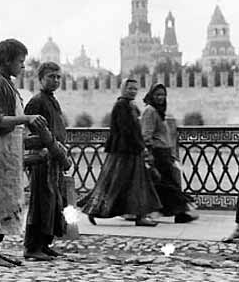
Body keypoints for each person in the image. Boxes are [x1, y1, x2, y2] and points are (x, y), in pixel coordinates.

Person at [0, 38, 48, 267]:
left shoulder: (7, 84)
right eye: (20, 61)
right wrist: (27, 119)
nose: (22, 66)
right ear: (7, 61)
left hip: (8, 150)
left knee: (5, 201)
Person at [78, 79, 161, 226]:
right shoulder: (121, 106)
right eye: (130, 88)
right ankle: (94, 210)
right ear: (123, 89)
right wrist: (141, 146)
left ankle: (139, 216)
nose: (133, 91)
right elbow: (126, 130)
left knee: (133, 184)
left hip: (131, 151)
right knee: (117, 183)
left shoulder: (130, 106)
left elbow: (134, 130)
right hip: (124, 153)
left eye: (135, 89)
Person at [23, 62, 68, 261]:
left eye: (58, 77)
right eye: (51, 76)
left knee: (53, 203)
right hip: (41, 159)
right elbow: (29, 131)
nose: (55, 80)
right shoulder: (36, 102)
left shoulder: (52, 101)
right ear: (40, 79)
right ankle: (32, 246)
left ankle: (45, 244)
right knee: (40, 203)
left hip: (54, 159)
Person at [140, 83, 198, 223]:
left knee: (167, 184)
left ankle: (176, 212)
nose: (161, 97)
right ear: (151, 96)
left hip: (164, 154)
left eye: (163, 95)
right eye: (157, 95)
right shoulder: (150, 111)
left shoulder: (159, 111)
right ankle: (180, 212)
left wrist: (170, 153)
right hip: (158, 154)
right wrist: (150, 154)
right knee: (168, 184)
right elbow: (146, 135)